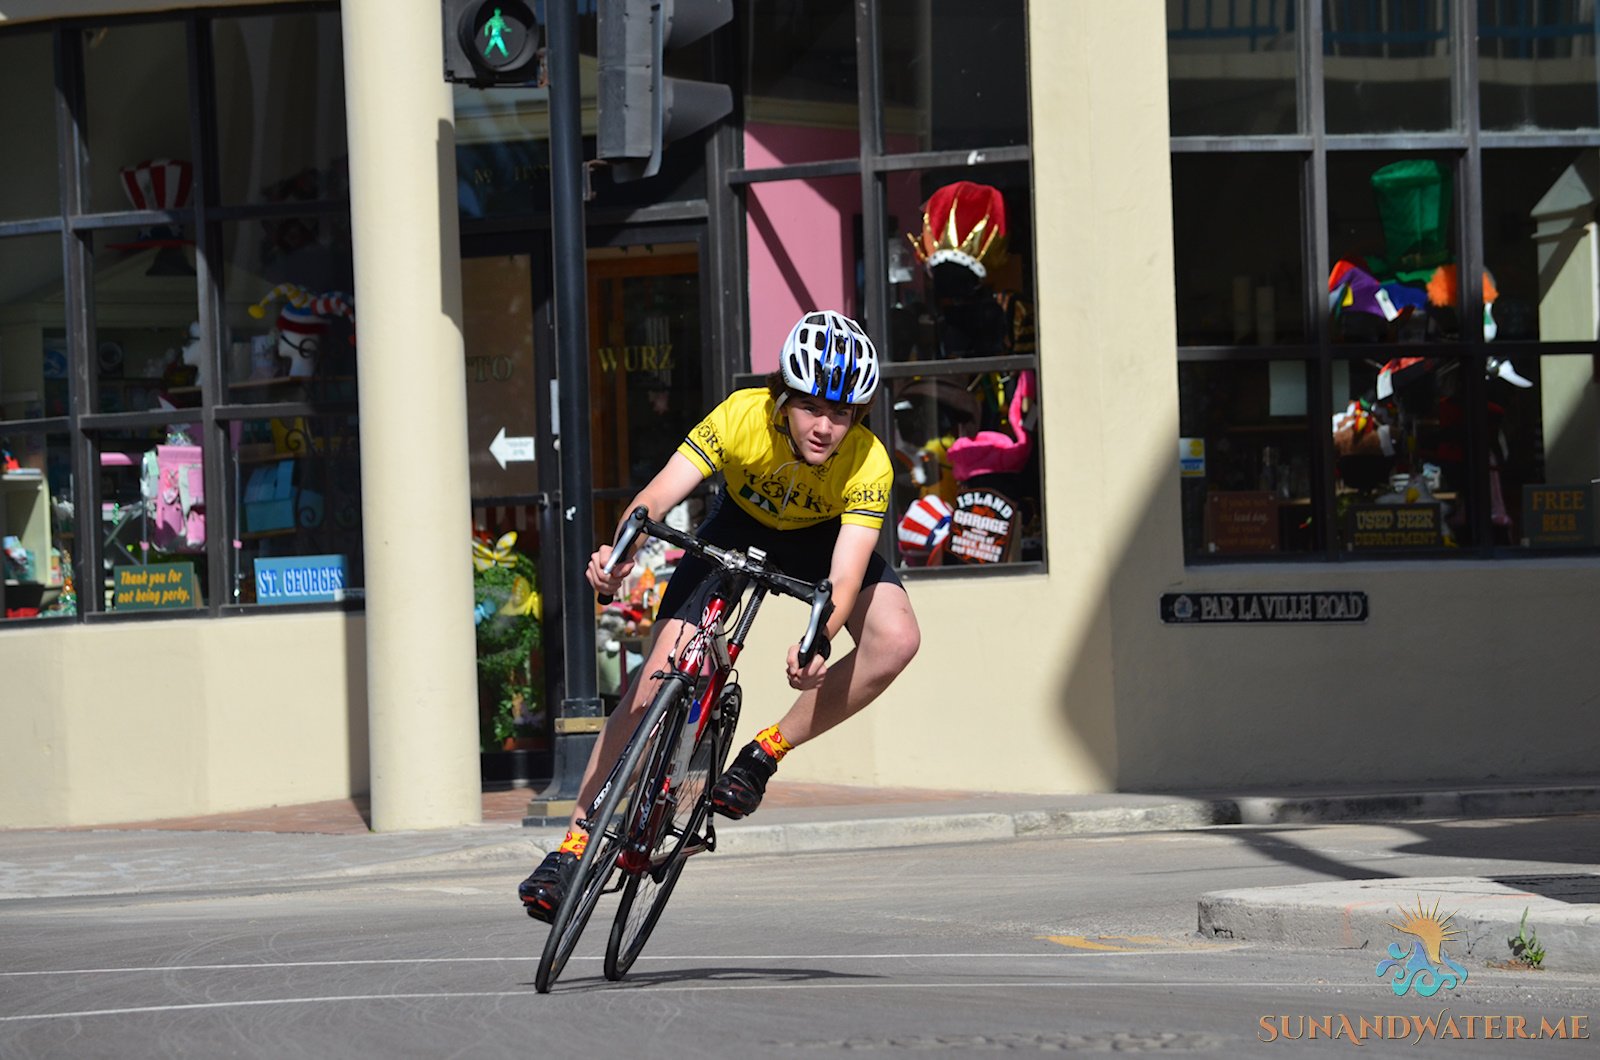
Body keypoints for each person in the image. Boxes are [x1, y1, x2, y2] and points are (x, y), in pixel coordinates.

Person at [520, 309, 922, 920]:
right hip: (736, 528)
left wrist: (818, 639)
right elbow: (658, 495)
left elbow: (844, 572)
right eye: (813, 406)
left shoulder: (868, 461)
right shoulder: (741, 414)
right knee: (652, 681)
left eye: (841, 414)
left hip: (820, 540)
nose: (825, 427)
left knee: (897, 639)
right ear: (784, 396)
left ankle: (765, 752)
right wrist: (620, 555)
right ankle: (574, 844)